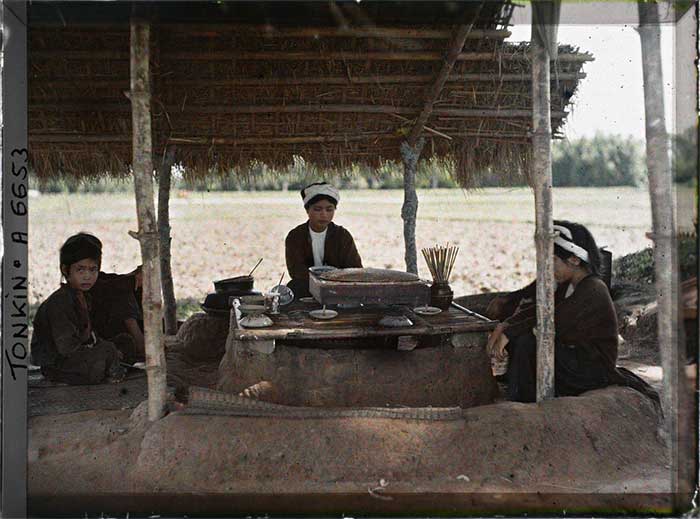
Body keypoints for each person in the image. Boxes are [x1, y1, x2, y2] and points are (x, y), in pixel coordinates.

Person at [486, 220, 658, 405]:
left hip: (591, 368)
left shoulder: (593, 288)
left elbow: (553, 319)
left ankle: (525, 401)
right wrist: (506, 325)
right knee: (520, 336)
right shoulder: (567, 286)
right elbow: (540, 310)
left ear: (574, 260)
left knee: (527, 341)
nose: (549, 268)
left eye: (553, 261)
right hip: (573, 359)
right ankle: (519, 388)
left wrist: (508, 332)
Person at [30, 234, 128, 384]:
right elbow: (66, 348)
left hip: (78, 356)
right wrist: (102, 351)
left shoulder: (84, 297)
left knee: (124, 342)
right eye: (80, 270)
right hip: (57, 364)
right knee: (105, 353)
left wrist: (103, 348)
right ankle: (108, 370)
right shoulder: (60, 302)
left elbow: (89, 336)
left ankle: (107, 366)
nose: (87, 276)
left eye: (93, 269)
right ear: (66, 270)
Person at [285, 182, 363, 298]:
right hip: (306, 288)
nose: (324, 215)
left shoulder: (342, 235)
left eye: (329, 209)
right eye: (317, 209)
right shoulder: (295, 236)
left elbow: (355, 269)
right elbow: (296, 271)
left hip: (338, 288)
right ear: (307, 210)